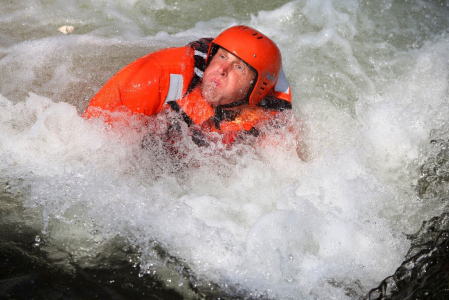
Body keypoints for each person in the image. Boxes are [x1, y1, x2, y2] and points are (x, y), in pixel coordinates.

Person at [83, 25, 293, 146]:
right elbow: (89, 142)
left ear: (257, 88)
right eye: (221, 56)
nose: (221, 68)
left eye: (238, 67)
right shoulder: (156, 76)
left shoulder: (272, 111)